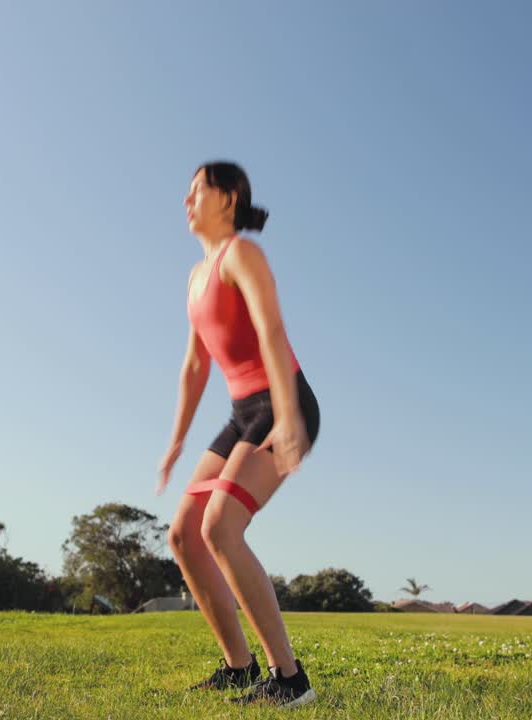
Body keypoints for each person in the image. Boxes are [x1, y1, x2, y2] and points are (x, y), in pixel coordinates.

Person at [155, 161, 321, 708]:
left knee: (221, 527)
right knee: (184, 534)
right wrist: (177, 441)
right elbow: (194, 365)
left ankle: (290, 680)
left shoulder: (242, 254)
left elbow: (272, 330)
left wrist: (290, 416)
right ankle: (238, 667)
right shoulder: (195, 277)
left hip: (282, 400)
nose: (187, 200)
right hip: (243, 414)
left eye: (197, 190)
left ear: (228, 198)